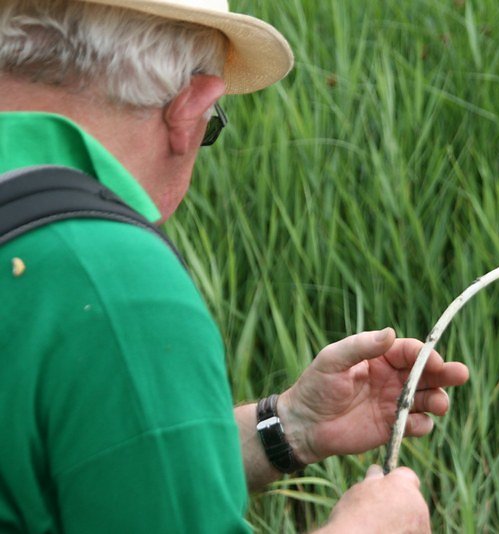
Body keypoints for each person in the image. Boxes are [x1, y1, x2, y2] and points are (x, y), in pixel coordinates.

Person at [0, 1, 469, 532]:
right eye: (210, 127)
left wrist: (287, 426)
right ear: (191, 106)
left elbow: (88, 461)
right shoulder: (116, 284)